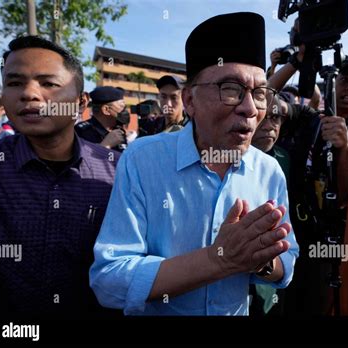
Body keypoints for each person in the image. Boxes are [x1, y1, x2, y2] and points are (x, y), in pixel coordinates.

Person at [90, 12, 299, 316]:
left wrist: (261, 259)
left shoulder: (269, 172)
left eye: (260, 93)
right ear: (190, 100)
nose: (250, 109)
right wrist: (219, 259)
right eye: (230, 90)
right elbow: (110, 280)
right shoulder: (142, 160)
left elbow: (288, 262)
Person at [0, 36, 120, 317]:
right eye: (14, 83)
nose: (29, 94)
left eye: (48, 83)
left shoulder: (117, 171)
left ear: (81, 102)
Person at [270, 51, 348, 315]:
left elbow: (346, 200)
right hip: (288, 233)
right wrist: (297, 60)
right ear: (333, 82)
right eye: (345, 78)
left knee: (313, 308)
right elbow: (264, 97)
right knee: (277, 306)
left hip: (328, 247)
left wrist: (344, 149)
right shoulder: (310, 118)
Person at [250, 94, 290, 316]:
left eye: (277, 117)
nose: (269, 125)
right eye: (263, 116)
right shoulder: (223, 157)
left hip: (274, 271)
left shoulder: (285, 158)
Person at [75, 86, 129, 151]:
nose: (125, 110)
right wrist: (105, 146)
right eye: (121, 106)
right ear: (106, 110)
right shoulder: (81, 132)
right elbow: (82, 160)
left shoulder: (118, 130)